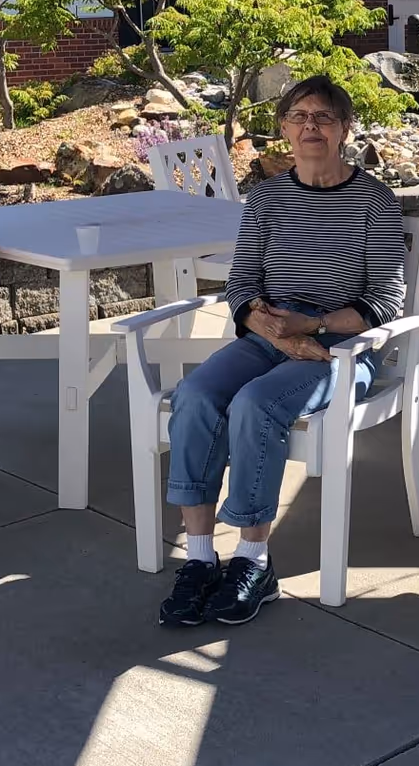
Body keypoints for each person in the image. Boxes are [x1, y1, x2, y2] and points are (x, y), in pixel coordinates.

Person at [159, 76, 406, 628]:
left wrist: (312, 326)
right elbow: (241, 284)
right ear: (284, 129)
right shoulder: (268, 197)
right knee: (196, 395)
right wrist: (278, 334)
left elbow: (387, 298)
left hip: (340, 348)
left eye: (323, 118)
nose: (310, 127)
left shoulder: (373, 200)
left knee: (256, 404)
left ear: (344, 130)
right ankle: (199, 558)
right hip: (271, 336)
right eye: (299, 117)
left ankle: (253, 559)